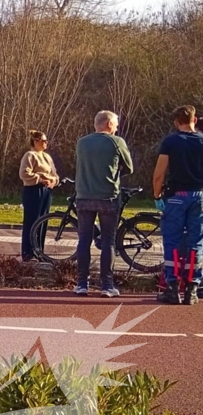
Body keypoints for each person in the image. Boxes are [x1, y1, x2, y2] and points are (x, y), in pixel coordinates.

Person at [73, 110, 133, 298]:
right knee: (108, 241)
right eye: (115, 124)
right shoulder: (116, 142)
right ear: (108, 124)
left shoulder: (82, 143)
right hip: (108, 195)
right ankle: (107, 285)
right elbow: (129, 167)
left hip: (83, 195)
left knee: (84, 239)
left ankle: (82, 283)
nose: (116, 128)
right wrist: (115, 172)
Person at [153, 105, 203, 305]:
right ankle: (192, 288)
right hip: (199, 196)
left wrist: (157, 195)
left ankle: (172, 288)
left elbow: (159, 174)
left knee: (172, 241)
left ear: (176, 122)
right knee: (196, 242)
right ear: (195, 120)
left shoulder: (171, 142)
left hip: (176, 196)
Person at [19, 130, 59, 261]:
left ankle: (39, 251)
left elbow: (54, 173)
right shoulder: (30, 155)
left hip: (46, 191)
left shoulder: (47, 157)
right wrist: (41, 179)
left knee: (43, 221)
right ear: (35, 142)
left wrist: (54, 181)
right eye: (43, 141)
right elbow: (24, 174)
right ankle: (28, 252)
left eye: (46, 141)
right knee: (32, 221)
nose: (46, 143)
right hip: (33, 191)